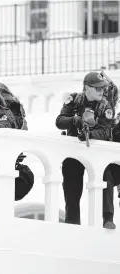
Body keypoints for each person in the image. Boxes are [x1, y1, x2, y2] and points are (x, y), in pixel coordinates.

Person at [56, 71, 115, 228]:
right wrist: (75, 121)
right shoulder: (74, 100)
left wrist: (90, 134)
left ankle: (108, 219)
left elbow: (104, 131)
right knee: (71, 185)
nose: (101, 91)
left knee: (104, 177)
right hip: (74, 151)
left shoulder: (106, 106)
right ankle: (72, 222)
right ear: (87, 88)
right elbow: (59, 121)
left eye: (103, 88)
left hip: (96, 151)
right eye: (97, 88)